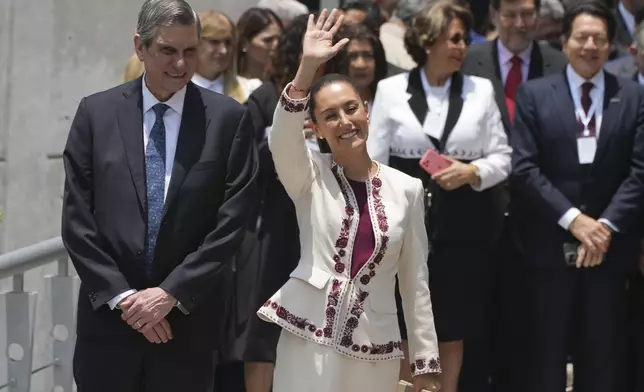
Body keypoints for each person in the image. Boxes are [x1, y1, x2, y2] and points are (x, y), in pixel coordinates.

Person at [60, 1, 258, 391]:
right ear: (140, 47)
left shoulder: (227, 120)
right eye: (168, 50)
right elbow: (77, 219)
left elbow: (232, 221)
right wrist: (126, 300)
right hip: (109, 329)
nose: (181, 64)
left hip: (185, 329)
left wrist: (170, 294)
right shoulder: (95, 115)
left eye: (190, 51)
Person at [257, 9, 441, 392]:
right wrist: (306, 69)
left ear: (367, 111)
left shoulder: (406, 189)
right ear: (319, 130)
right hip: (308, 342)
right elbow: (281, 141)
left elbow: (414, 282)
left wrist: (425, 363)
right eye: (330, 116)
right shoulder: (308, 176)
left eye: (351, 108)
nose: (344, 121)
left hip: (375, 351)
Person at [367, 2, 511, 391]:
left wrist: (472, 171)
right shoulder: (390, 90)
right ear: (428, 41)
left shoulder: (480, 91)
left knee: (451, 327)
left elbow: (503, 157)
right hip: (404, 229)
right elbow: (373, 162)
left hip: (462, 231)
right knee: (402, 324)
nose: (463, 46)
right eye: (455, 38)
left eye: (465, 38)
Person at [511, 1, 644, 391]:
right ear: (565, 42)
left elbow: (640, 171)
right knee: (546, 356)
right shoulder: (535, 94)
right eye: (582, 37)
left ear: (610, 46)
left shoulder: (633, 96)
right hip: (549, 249)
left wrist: (603, 226)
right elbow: (525, 169)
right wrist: (575, 220)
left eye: (599, 39)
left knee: (603, 356)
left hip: (609, 249)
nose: (590, 46)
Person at [460, 1, 568, 390]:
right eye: (511, 14)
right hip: (474, 216)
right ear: (494, 14)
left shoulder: (559, 63)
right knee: (474, 328)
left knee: (526, 332)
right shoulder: (466, 59)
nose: (520, 24)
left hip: (539, 221)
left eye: (527, 13)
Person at [192, 10, 261, 103]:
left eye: (228, 42)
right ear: (195, 43)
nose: (223, 51)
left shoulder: (250, 90)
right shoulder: (177, 90)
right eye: (215, 42)